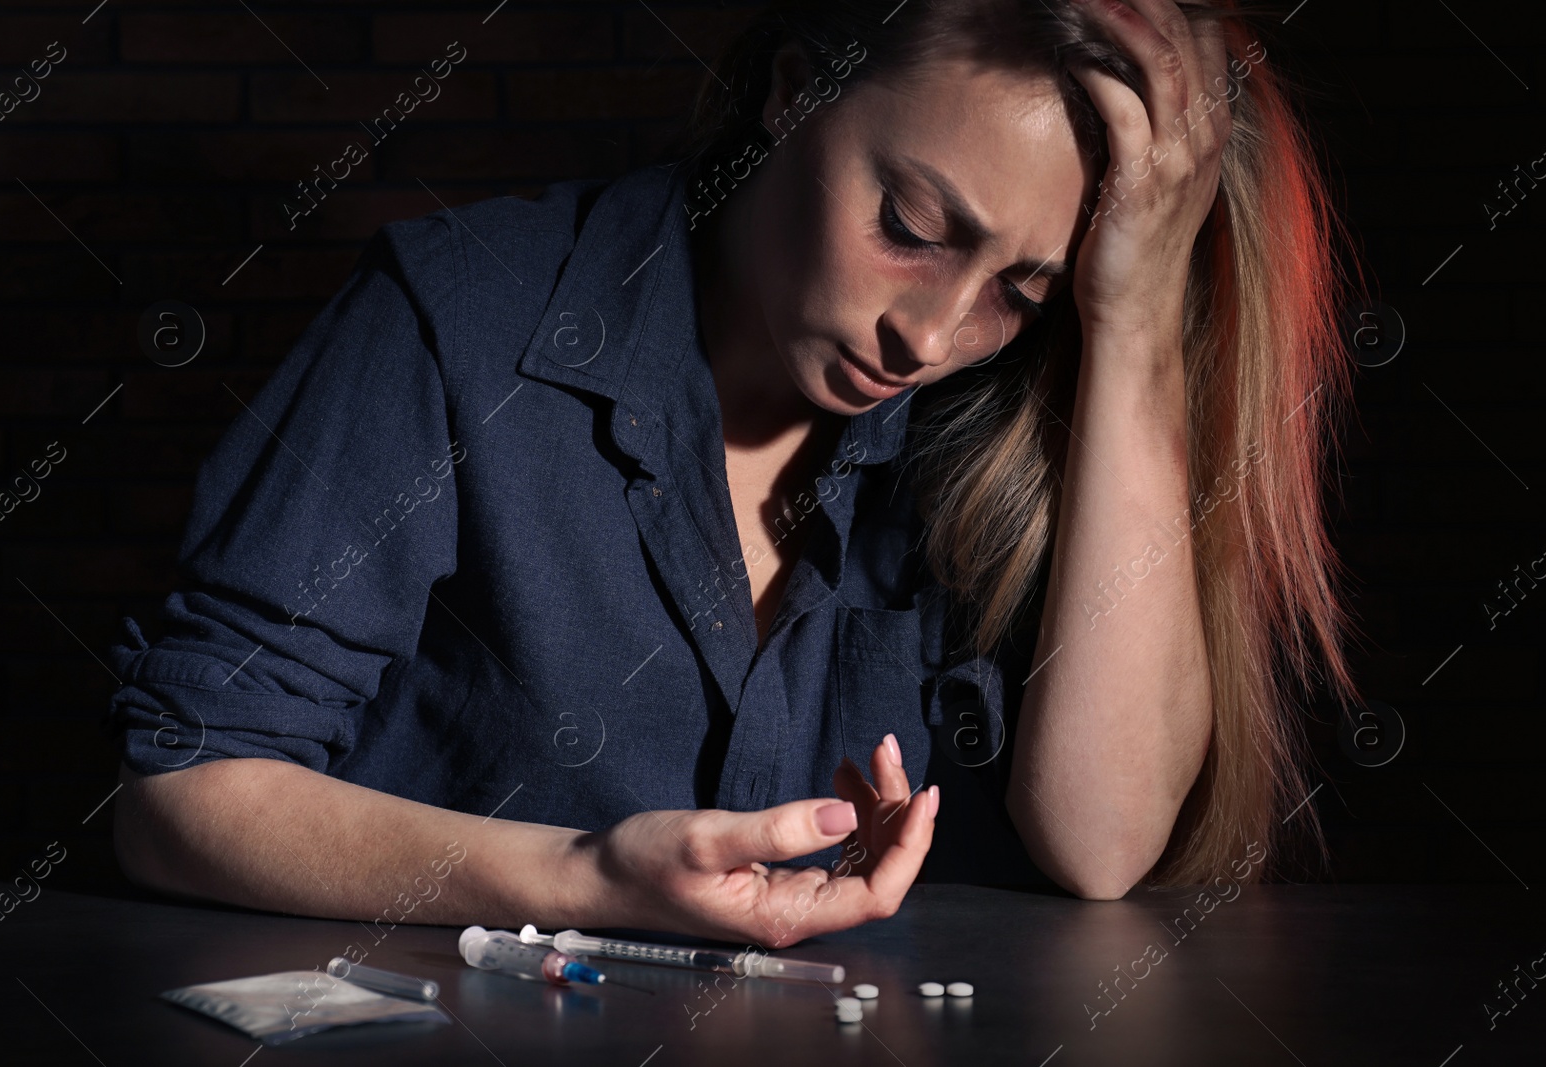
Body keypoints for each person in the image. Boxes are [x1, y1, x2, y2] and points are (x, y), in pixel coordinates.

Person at [108, 0, 1364, 948]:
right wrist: (585, 874)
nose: (928, 338)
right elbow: (181, 793)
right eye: (913, 231)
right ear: (793, 92)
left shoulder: (1022, 419)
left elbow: (1103, 844)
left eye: (1021, 293)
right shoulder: (454, 320)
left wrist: (1133, 325)